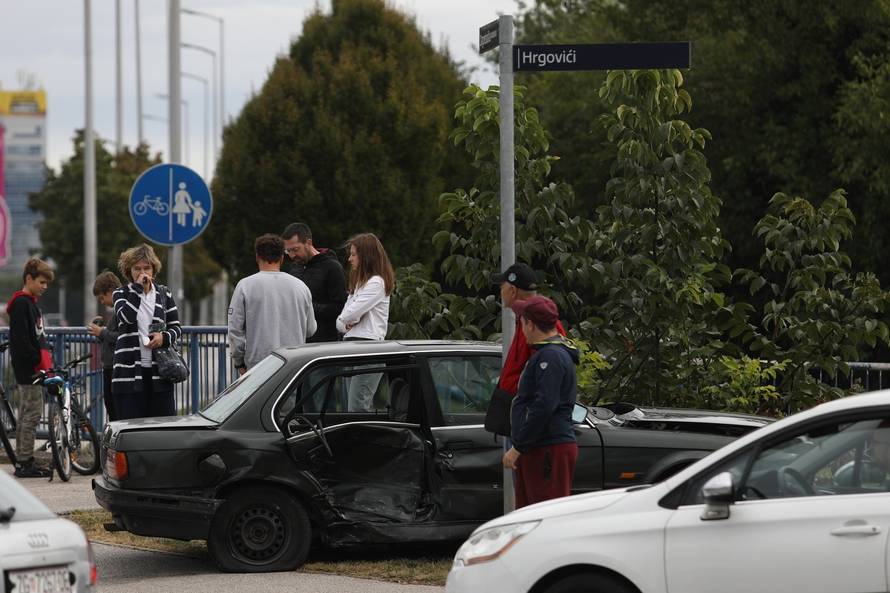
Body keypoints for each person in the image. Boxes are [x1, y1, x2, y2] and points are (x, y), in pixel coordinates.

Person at [502, 295, 579, 508]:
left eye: (522, 322)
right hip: (539, 447)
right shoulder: (546, 354)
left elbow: (544, 405)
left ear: (530, 324)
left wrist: (519, 446)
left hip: (548, 447)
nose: (521, 328)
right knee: (528, 516)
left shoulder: (551, 357)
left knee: (545, 517)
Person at [484, 263, 566, 435]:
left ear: (512, 290)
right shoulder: (526, 319)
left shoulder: (539, 324)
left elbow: (545, 380)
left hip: (528, 421)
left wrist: (529, 426)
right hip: (518, 415)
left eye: (502, 287)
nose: (500, 291)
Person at [112, 243, 182, 420]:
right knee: (130, 429)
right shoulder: (120, 293)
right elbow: (126, 318)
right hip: (128, 375)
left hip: (159, 372)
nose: (142, 272)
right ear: (129, 271)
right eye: (137, 268)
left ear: (153, 270)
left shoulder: (164, 294)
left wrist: (163, 337)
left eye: (146, 268)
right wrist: (136, 290)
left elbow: (176, 327)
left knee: (162, 426)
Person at [228, 234, 316, 375]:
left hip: (258, 363)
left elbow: (235, 330)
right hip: (293, 364)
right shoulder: (301, 287)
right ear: (282, 258)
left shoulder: (245, 286)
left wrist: (239, 362)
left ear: (257, 257)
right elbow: (310, 329)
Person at [336, 233, 395, 411]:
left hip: (368, 348)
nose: (349, 259)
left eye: (354, 254)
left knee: (357, 406)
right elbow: (340, 322)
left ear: (366, 256)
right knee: (349, 408)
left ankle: (364, 438)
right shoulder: (359, 284)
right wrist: (346, 320)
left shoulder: (377, 283)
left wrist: (347, 319)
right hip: (350, 346)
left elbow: (348, 316)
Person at [6, 258, 53, 478]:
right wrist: (36, 359)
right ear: (29, 279)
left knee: (28, 413)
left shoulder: (28, 302)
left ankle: (24, 459)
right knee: (31, 415)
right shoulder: (22, 304)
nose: (45, 287)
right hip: (29, 369)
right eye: (42, 282)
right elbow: (22, 339)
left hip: (31, 367)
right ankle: (24, 462)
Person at [282, 223, 347, 343]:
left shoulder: (332, 267)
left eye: (295, 249)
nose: (292, 255)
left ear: (309, 243)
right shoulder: (294, 269)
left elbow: (340, 307)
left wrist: (306, 307)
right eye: (288, 251)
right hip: (296, 341)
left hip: (324, 343)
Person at [88, 271, 122, 422]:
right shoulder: (117, 311)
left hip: (116, 367)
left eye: (102, 297)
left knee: (115, 410)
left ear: (110, 291)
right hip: (110, 366)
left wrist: (102, 332)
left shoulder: (123, 310)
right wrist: (102, 333)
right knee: (111, 407)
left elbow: (123, 337)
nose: (102, 302)